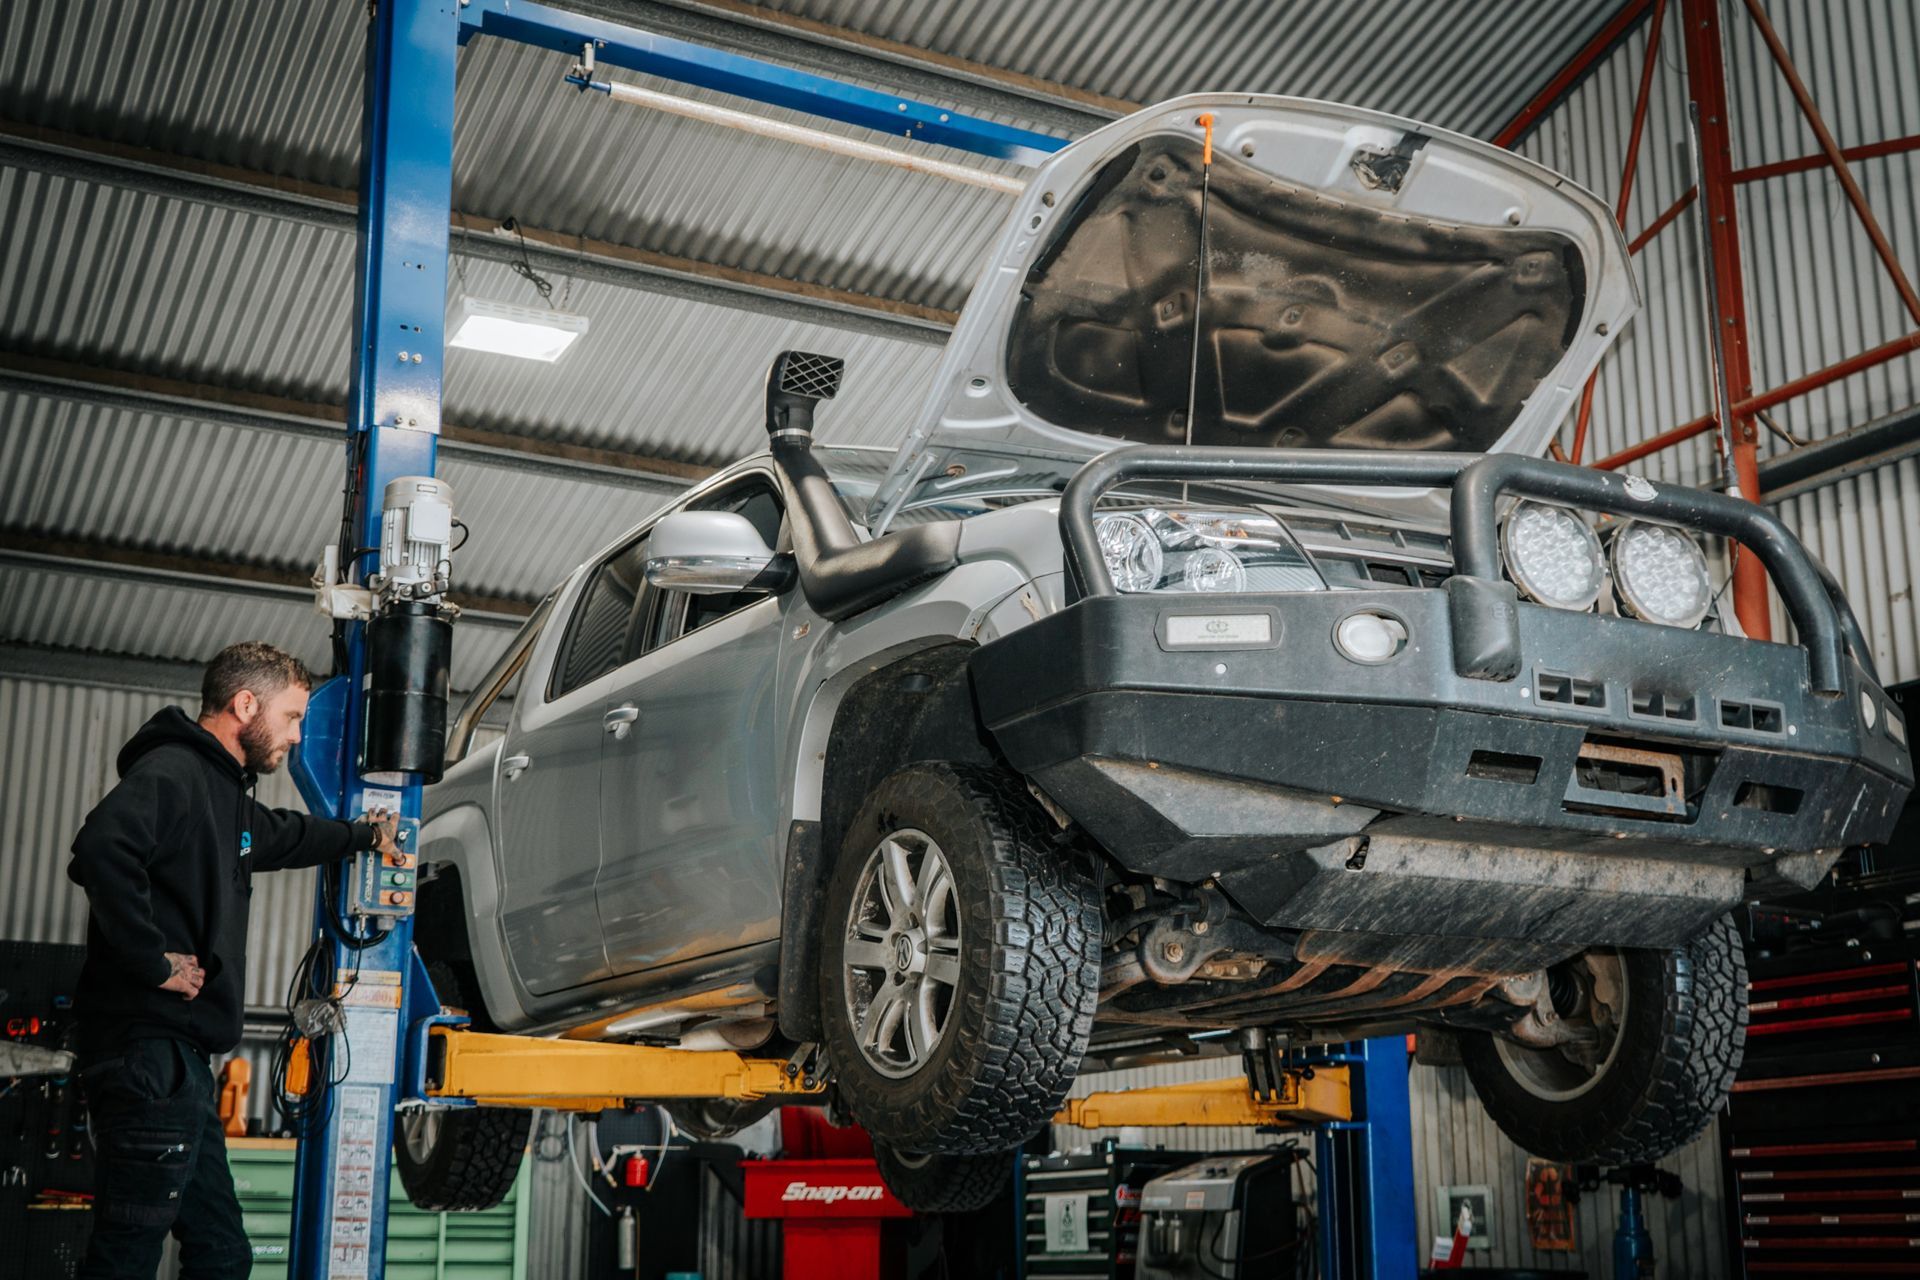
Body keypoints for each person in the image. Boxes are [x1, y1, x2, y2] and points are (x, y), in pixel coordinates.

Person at [66, 641, 400, 1279]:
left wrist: (365, 835)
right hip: (148, 1054)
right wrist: (152, 961)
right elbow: (103, 847)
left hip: (179, 1065)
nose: (296, 737)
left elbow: (283, 834)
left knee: (223, 1255)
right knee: (125, 1259)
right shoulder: (175, 772)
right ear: (245, 704)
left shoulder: (224, 797)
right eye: (293, 716)